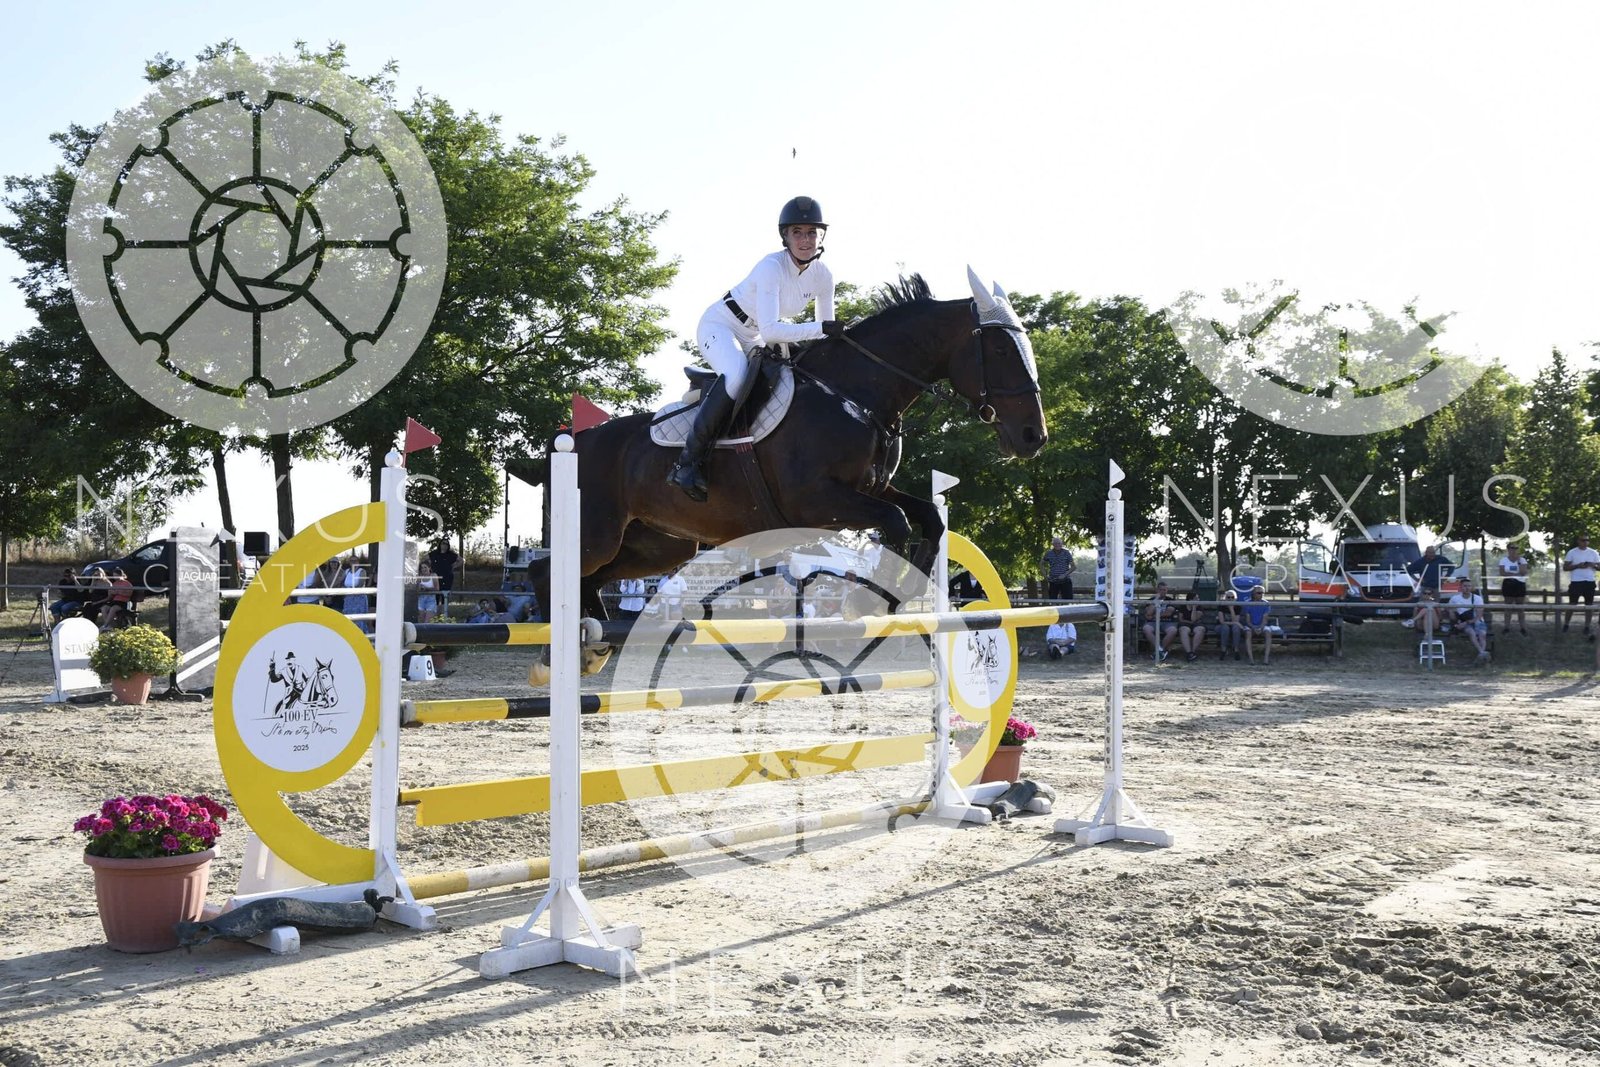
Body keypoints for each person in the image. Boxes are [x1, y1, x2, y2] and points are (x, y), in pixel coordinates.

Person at [667, 196, 841, 500]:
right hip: (720, 325)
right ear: (785, 237)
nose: (805, 240)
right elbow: (777, 330)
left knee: (790, 374)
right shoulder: (771, 267)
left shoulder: (823, 276)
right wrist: (823, 329)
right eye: (797, 232)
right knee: (737, 376)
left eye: (812, 233)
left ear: (820, 237)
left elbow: (826, 333)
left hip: (753, 334)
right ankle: (687, 464)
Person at [1562, 533, 1597, 639]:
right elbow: (1565, 567)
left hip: (1589, 582)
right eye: (1583, 540)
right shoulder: (1572, 552)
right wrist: (1577, 566)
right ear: (1578, 541)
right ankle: (1566, 625)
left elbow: (1599, 567)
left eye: (1587, 540)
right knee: (1572, 604)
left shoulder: (1594, 552)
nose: (1585, 542)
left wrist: (1593, 565)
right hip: (1576, 582)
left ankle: (1587, 626)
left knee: (1589, 605)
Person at [1448, 576, 1490, 663]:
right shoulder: (1454, 599)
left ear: (1471, 587)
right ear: (1460, 587)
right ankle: (1482, 654)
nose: (1467, 588)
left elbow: (1479, 616)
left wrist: (1466, 622)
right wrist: (1456, 621)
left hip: (1477, 621)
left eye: (1469, 586)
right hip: (1463, 622)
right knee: (1471, 633)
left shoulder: (1477, 598)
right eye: (1465, 586)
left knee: (1482, 634)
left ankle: (1481, 654)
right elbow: (1452, 613)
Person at [1403, 545, 1445, 629]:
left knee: (1435, 606)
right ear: (1426, 553)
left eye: (1433, 552)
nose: (1432, 554)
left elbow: (1451, 566)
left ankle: (1436, 623)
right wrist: (1417, 579)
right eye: (1430, 553)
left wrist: (1446, 576)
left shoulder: (1440, 559)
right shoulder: (1420, 561)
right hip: (1425, 586)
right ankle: (1415, 623)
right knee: (1420, 606)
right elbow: (1408, 569)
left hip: (1436, 587)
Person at [1142, 582, 1179, 661]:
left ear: (1167, 590)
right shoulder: (1151, 600)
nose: (1162, 591)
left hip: (1168, 622)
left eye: (1164, 590)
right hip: (1153, 622)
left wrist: (1153, 616)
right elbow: (1148, 613)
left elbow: (1168, 613)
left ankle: (1160, 650)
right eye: (1161, 590)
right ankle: (1160, 649)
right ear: (1157, 590)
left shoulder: (1170, 600)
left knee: (1173, 630)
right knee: (1146, 628)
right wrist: (1156, 600)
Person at [1497, 543, 1529, 636]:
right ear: (1508, 549)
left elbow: (1523, 572)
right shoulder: (1503, 560)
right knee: (1508, 607)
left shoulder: (1522, 560)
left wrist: (1518, 562)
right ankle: (1506, 627)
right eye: (1512, 548)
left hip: (1520, 584)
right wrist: (1514, 574)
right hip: (1508, 584)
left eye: (1516, 548)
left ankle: (1523, 628)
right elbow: (1502, 573)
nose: (1514, 550)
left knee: (1520, 608)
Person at [1240, 586, 1273, 665]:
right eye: (1259, 593)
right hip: (1250, 626)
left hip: (1261, 626)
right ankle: (1251, 658)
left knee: (1268, 632)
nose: (1261, 595)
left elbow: (1265, 620)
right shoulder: (1247, 603)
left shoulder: (1266, 604)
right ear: (1253, 594)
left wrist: (1260, 628)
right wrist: (1254, 627)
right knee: (1248, 632)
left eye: (1262, 593)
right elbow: (1248, 621)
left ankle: (1266, 658)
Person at [1178, 589, 1208, 662]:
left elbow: (1194, 619)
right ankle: (1189, 652)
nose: (1198, 600)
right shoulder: (1183, 606)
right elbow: (1181, 619)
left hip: (1197, 623)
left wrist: (1194, 608)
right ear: (1190, 599)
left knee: (1200, 630)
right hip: (1185, 623)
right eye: (1196, 598)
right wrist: (1189, 622)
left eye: (1198, 598)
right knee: (1183, 630)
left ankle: (1193, 651)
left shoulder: (1199, 607)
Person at [342, 563, 371, 634]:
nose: (353, 562)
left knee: (360, 619)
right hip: (348, 599)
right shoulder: (346, 571)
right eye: (351, 560)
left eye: (355, 560)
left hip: (359, 598)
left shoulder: (362, 571)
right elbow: (342, 583)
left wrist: (349, 589)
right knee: (348, 618)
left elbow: (360, 584)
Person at [1215, 590, 1243, 662]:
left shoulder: (1238, 607)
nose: (1230, 599)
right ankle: (1223, 649)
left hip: (1233, 626)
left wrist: (1231, 609)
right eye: (1228, 597)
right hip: (1220, 627)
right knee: (1225, 627)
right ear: (1225, 598)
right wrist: (1236, 623)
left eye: (1232, 597)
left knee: (1236, 628)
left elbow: (1235, 620)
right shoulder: (1221, 606)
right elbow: (1222, 621)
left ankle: (1236, 650)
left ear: (1235, 598)